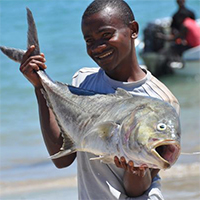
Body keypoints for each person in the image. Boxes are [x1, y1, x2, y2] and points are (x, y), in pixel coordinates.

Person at [20, 0, 180, 199]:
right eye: (89, 41)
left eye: (106, 35)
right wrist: (39, 86)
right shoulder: (83, 81)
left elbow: (137, 190)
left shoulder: (163, 101)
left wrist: (135, 171)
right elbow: (62, 159)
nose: (98, 47)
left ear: (133, 30)